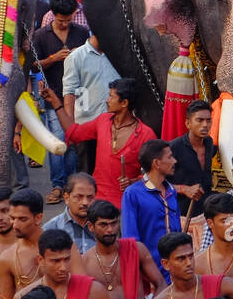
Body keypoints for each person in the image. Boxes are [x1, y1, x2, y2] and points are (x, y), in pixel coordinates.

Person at [48, 78, 156, 208]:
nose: (107, 100)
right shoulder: (103, 121)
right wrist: (56, 103)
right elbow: (74, 133)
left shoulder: (146, 134)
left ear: (124, 103)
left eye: (111, 97)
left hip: (126, 205)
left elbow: (155, 174)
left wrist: (134, 181)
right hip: (97, 202)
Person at [33, 0, 89, 204]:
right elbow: (33, 65)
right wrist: (53, 59)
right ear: (52, 16)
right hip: (53, 93)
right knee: (58, 139)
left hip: (78, 95)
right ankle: (58, 184)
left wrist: (79, 54)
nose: (65, 24)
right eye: (60, 20)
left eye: (68, 20)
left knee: (73, 139)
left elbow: (91, 58)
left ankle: (71, 184)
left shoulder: (82, 32)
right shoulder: (40, 35)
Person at [82, 199, 164, 299]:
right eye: (103, 225)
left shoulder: (136, 249)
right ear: (91, 227)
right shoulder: (84, 263)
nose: (110, 230)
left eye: (114, 223)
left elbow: (161, 285)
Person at [18, 229, 111, 299]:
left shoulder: (94, 291)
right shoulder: (23, 298)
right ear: (40, 260)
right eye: (55, 261)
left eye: (67, 259)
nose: (63, 267)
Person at [0, 189, 58, 299]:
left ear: (38, 218)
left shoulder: (60, 248)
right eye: (12, 218)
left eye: (22, 219)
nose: (15, 225)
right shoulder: (7, 257)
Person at [121, 139, 183, 280]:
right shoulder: (132, 194)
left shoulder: (171, 191)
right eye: (170, 157)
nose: (174, 161)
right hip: (150, 277)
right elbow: (130, 241)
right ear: (157, 163)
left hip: (175, 273)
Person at [43, 172, 97, 253]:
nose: (85, 202)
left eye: (90, 197)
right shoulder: (51, 228)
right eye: (79, 197)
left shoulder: (104, 227)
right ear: (66, 198)